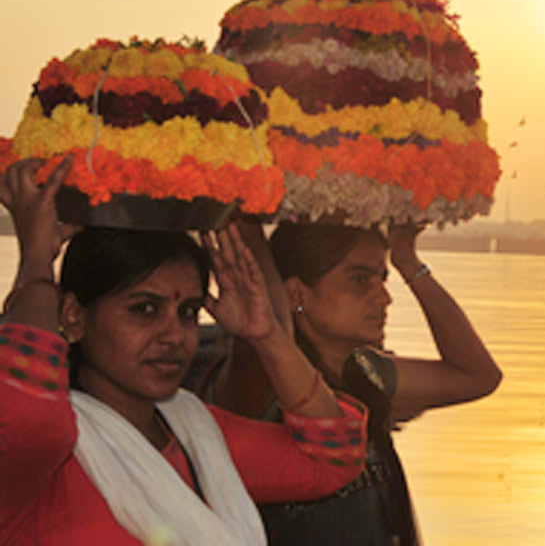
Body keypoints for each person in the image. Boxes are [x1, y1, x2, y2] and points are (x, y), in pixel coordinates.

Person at [0, 157, 367, 545]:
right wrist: (36, 263)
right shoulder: (41, 459)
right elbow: (27, 416)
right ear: (73, 316)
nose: (174, 335)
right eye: (145, 309)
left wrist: (268, 336)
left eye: (188, 312)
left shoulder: (197, 435)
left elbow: (333, 458)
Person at [203, 222, 503, 545]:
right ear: (296, 294)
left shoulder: (366, 374)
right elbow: (268, 326)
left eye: (382, 279)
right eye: (360, 280)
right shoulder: (263, 376)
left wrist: (408, 262)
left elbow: (477, 376)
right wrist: (242, 209)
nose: (384, 298)